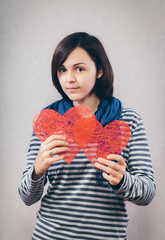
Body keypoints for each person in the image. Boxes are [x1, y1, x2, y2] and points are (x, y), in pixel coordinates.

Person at [18, 32, 156, 240]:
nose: (69, 79)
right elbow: (27, 197)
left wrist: (122, 180)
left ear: (99, 70)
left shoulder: (127, 120)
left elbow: (147, 193)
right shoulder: (49, 122)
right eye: (62, 70)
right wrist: (37, 170)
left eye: (79, 69)